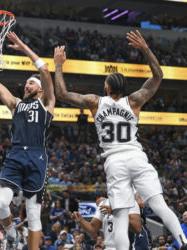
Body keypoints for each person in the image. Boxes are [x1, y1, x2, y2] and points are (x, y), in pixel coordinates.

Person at [53, 31, 187, 250]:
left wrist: (58, 65)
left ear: (107, 87)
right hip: (135, 156)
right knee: (159, 204)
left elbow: (62, 93)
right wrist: (145, 49)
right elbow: (158, 76)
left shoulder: (95, 102)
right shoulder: (134, 100)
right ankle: (183, 241)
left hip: (115, 162)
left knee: (121, 216)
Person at [0, 32, 55, 250]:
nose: (26, 86)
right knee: (0, 204)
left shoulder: (47, 102)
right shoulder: (16, 104)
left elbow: (45, 71)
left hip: (37, 155)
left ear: (40, 88)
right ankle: (11, 233)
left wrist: (23, 46)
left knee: (33, 214)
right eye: (25, 84)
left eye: (30, 83)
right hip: (15, 155)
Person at [73, 197, 142, 250]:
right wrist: (81, 220)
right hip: (108, 247)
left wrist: (115, 213)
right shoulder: (104, 203)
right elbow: (92, 229)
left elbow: (137, 229)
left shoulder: (131, 202)